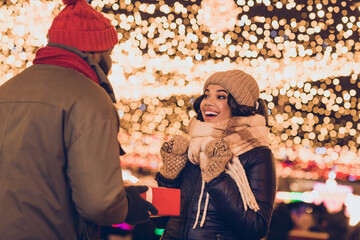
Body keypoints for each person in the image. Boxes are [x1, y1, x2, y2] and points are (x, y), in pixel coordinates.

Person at [0, 0, 157, 239]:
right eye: (109, 52)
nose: (111, 62)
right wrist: (127, 206)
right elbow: (99, 203)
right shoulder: (90, 99)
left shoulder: (6, 91)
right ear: (95, 51)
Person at [155, 69, 277, 239]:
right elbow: (159, 222)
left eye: (220, 97)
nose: (208, 103)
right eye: (206, 95)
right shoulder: (193, 148)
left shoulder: (256, 153)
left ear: (238, 105)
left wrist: (217, 178)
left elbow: (256, 227)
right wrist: (169, 176)